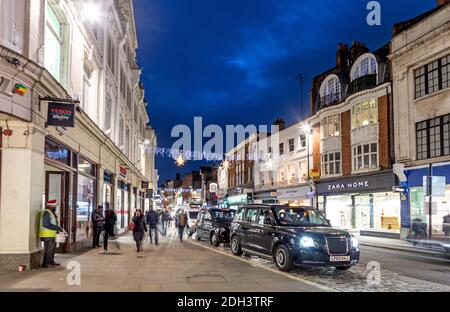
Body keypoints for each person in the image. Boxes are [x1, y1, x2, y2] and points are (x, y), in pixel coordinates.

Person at [39, 200, 64, 268]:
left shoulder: (49, 212)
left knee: (51, 249)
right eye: (54, 206)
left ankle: (50, 262)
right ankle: (47, 263)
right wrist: (57, 228)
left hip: (50, 234)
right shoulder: (47, 212)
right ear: (50, 206)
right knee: (49, 249)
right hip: (47, 234)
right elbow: (46, 224)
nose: (55, 207)